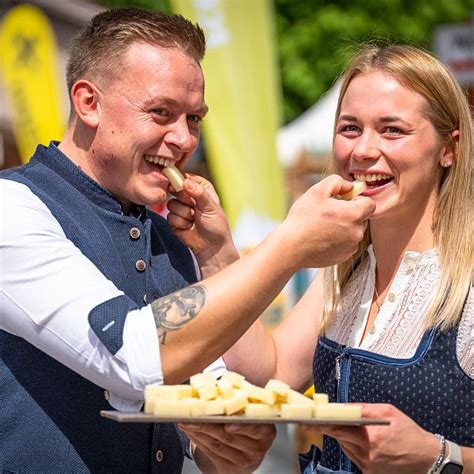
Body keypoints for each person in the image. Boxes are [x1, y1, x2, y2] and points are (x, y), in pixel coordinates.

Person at [0, 6, 376, 473]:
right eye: (161, 112)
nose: (183, 139)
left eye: (194, 119)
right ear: (88, 103)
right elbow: (131, 355)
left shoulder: (173, 239)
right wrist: (292, 243)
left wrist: (224, 448)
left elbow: (217, 396)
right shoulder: (12, 209)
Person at [173, 44, 474, 473]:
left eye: (392, 130)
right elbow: (270, 375)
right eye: (350, 128)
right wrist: (216, 251)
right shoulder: (346, 269)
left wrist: (439, 457)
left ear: (449, 148)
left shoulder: (467, 282)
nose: (364, 151)